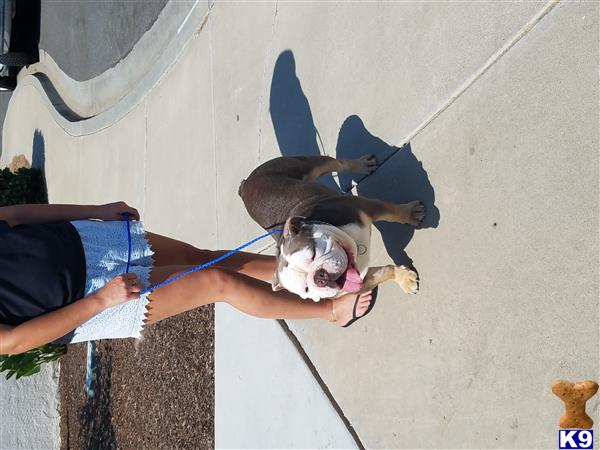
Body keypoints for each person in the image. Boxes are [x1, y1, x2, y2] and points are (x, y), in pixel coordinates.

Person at [0, 202, 373, 355]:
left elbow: (16, 216)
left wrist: (97, 211)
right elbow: (15, 341)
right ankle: (330, 310)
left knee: (203, 258)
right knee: (217, 282)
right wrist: (101, 300)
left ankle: (307, 274)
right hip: (90, 300)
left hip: (87, 241)